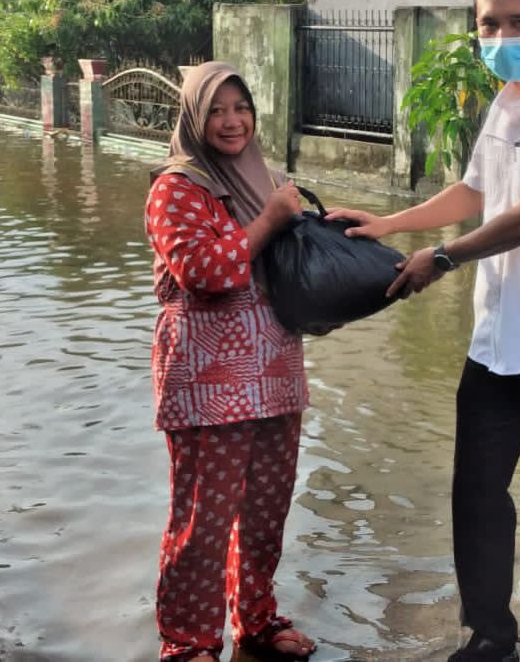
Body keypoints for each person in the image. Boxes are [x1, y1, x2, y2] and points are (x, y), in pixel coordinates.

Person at [327, 0, 520, 662]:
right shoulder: (507, 99)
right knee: (477, 496)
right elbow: (474, 194)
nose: (501, 35)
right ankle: (492, 635)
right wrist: (389, 224)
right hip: (497, 341)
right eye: (489, 23)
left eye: (518, 21)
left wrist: (445, 258)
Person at [146, 61, 315, 662]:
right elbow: (206, 272)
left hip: (274, 376)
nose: (231, 120)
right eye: (216, 109)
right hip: (206, 383)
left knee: (267, 510)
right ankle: (188, 642)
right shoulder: (176, 187)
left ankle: (257, 620)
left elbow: (299, 269)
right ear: (194, 117)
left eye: (240, 107)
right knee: (204, 522)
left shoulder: (265, 180)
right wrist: (270, 220)